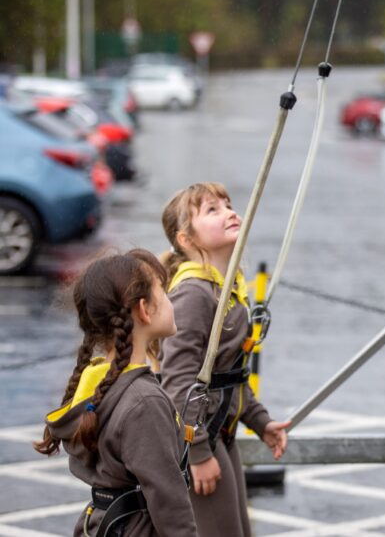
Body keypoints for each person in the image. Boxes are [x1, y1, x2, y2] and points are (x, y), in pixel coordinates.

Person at [35, 249, 197, 537]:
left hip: (103, 525)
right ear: (145, 310)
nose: (171, 299)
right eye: (165, 291)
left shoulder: (96, 382)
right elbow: (169, 502)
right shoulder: (144, 401)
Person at [160, 182, 289, 537]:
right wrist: (198, 453)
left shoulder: (225, 286)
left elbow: (228, 373)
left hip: (220, 432)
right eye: (212, 210)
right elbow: (177, 383)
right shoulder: (193, 294)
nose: (230, 212)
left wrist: (260, 421)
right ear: (186, 240)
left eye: (228, 204)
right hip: (200, 438)